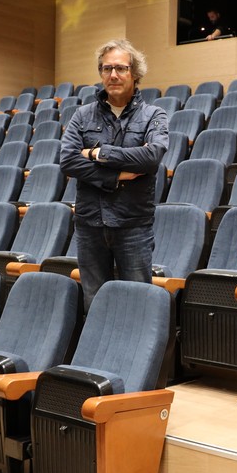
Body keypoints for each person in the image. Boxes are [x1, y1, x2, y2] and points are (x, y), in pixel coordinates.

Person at [60, 39, 168, 311]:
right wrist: (118, 174)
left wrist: (97, 153)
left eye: (120, 68)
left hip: (133, 226)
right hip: (90, 225)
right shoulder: (82, 115)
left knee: (137, 303)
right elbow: (68, 161)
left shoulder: (154, 115)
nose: (113, 75)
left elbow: (152, 156)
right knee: (94, 303)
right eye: (107, 68)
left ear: (135, 73)